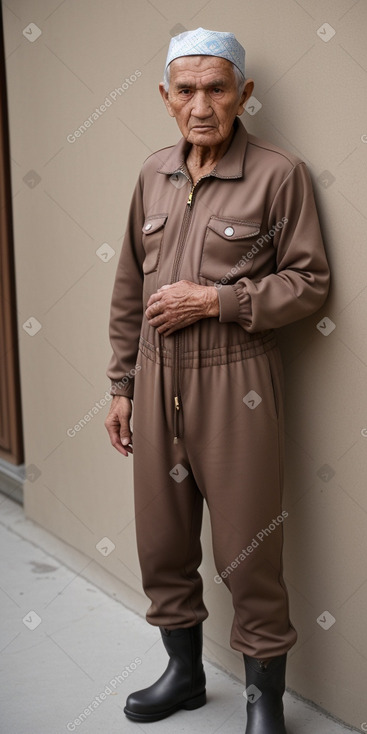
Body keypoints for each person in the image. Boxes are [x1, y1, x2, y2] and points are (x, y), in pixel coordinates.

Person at [104, 27, 330, 734]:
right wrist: (120, 384)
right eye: (186, 90)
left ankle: (265, 699)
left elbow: (309, 283)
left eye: (217, 88)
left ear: (243, 94)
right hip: (154, 378)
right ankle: (184, 674)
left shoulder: (277, 172)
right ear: (165, 97)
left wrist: (218, 300)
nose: (201, 105)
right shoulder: (151, 173)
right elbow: (127, 291)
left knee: (247, 551)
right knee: (161, 544)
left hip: (237, 386)